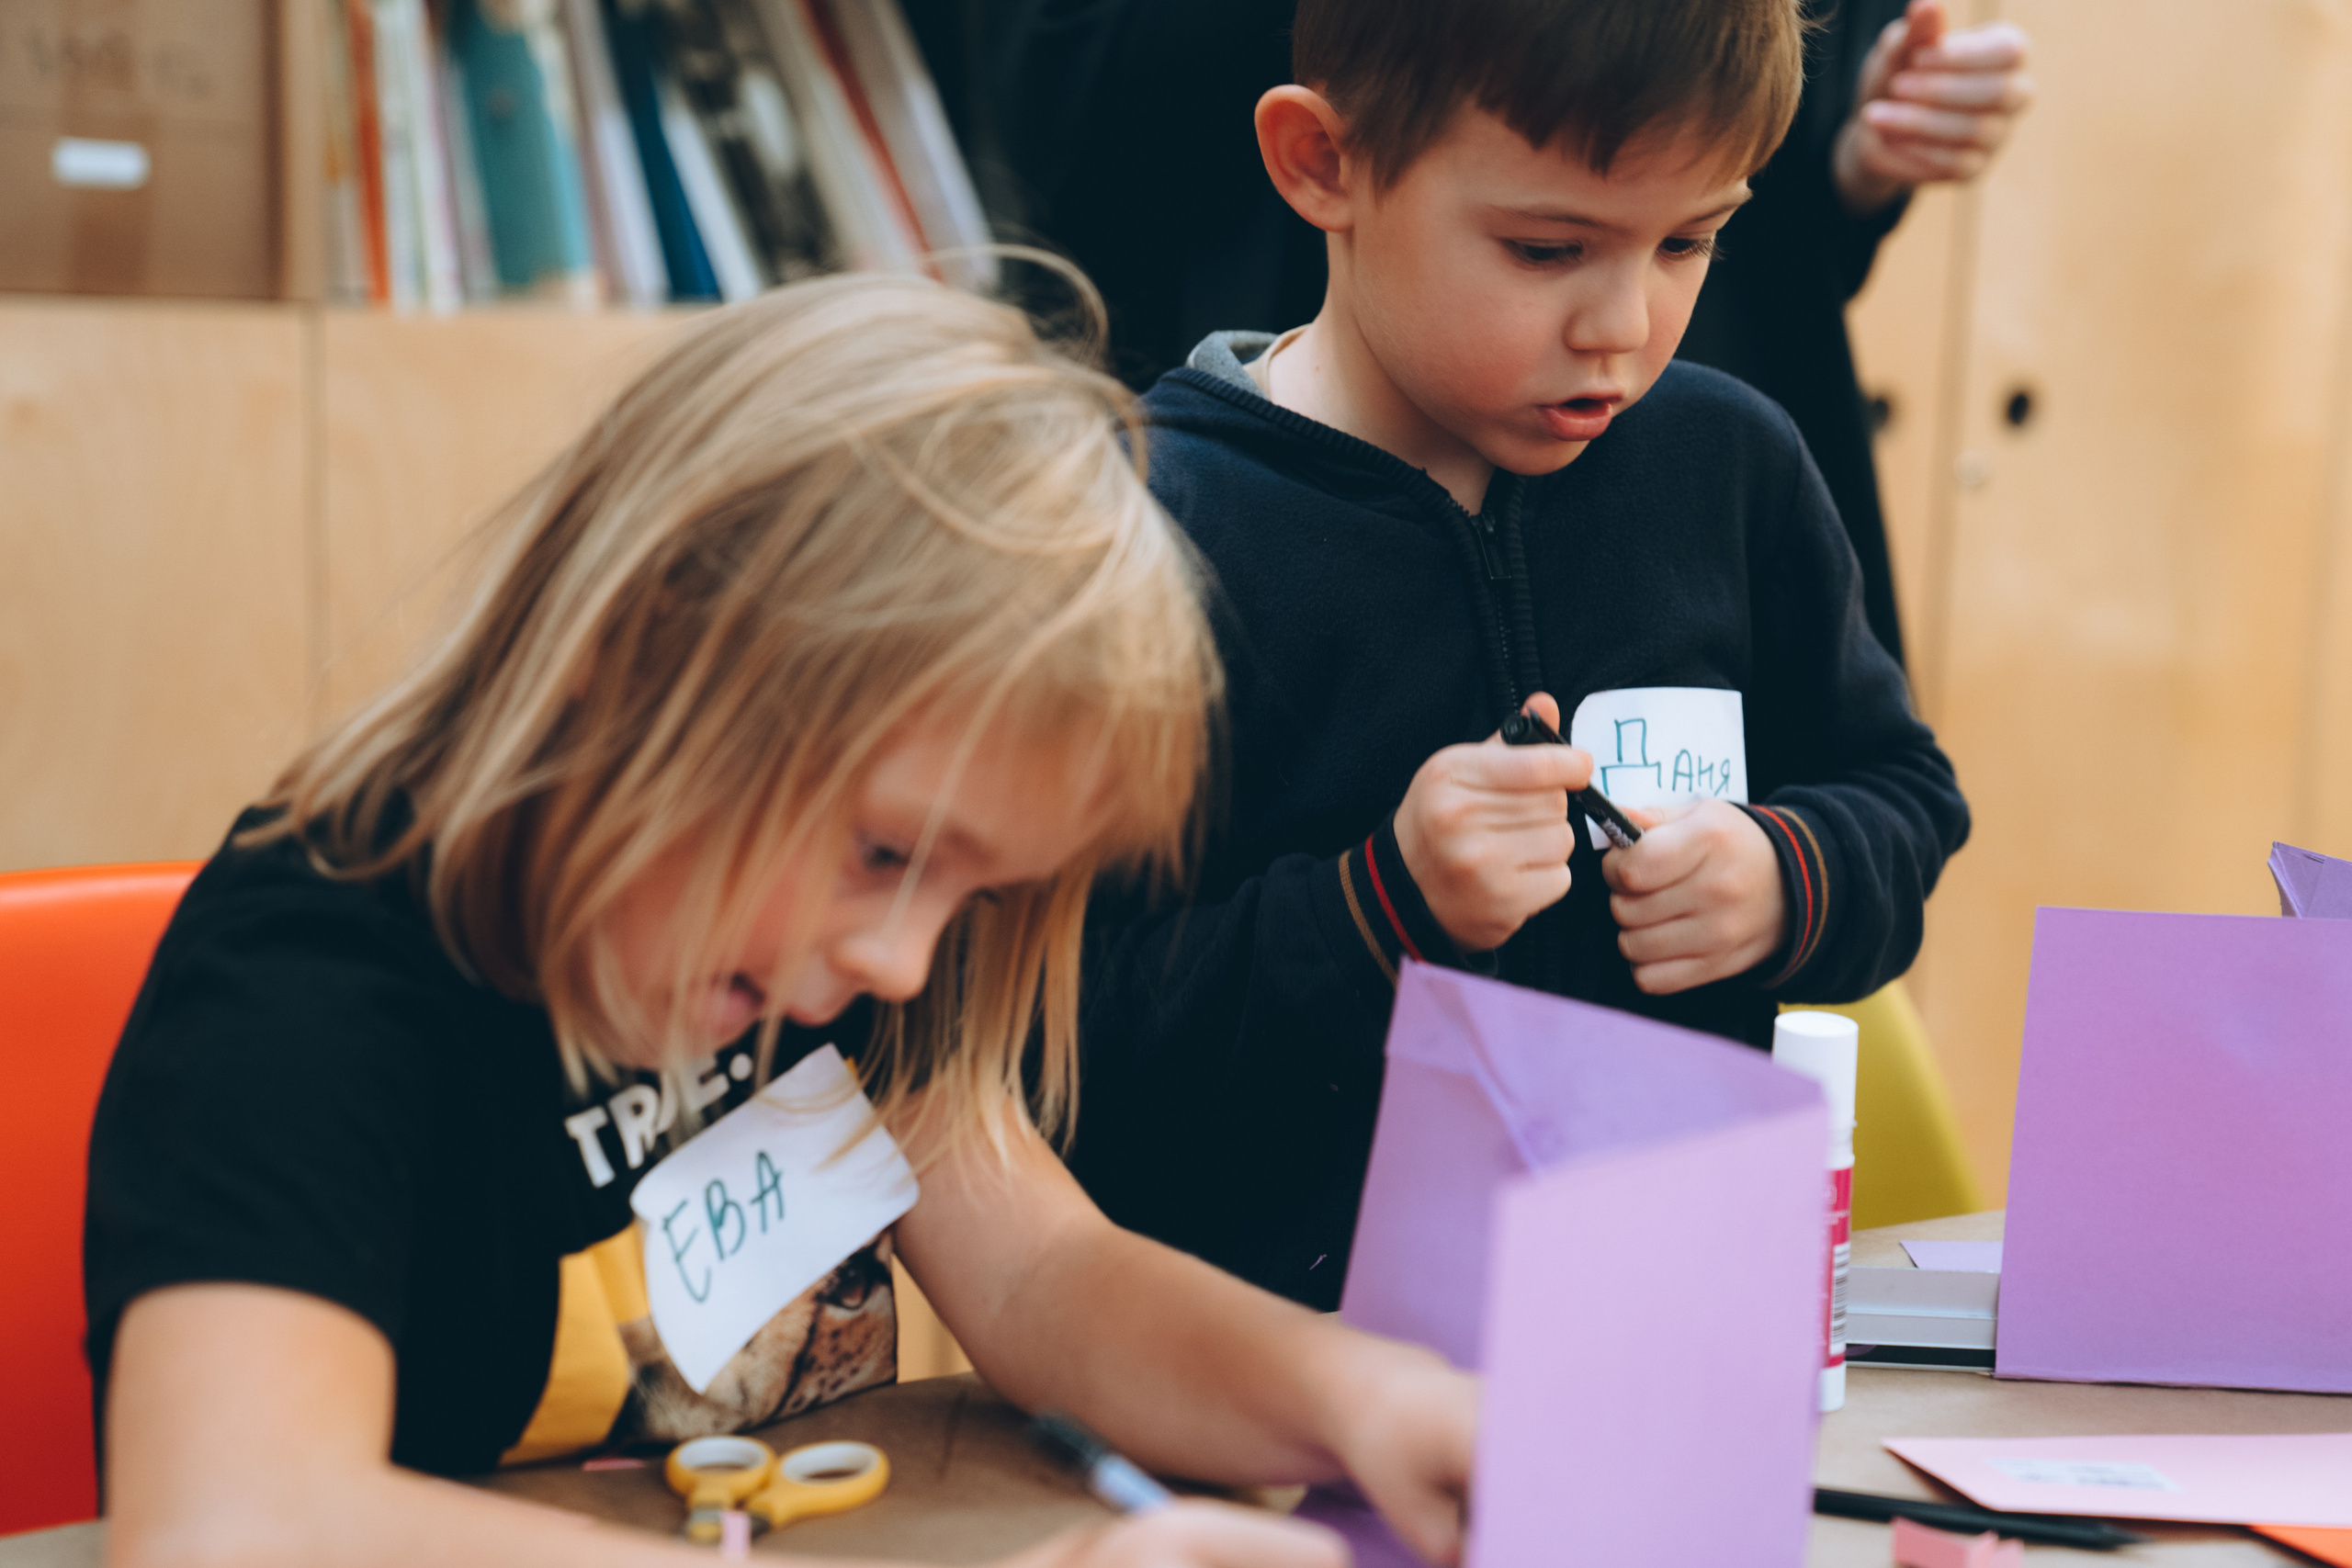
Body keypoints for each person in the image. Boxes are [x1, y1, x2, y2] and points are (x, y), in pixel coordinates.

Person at [84, 272, 1475, 1568]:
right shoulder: (312, 970)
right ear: (655, 661)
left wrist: (1360, 1395)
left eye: (968, 893)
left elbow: (1047, 1274)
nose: (902, 958)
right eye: (883, 852)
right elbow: (230, 1518)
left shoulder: (826, 946)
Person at [1070, 0, 1973, 1308]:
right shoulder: (1147, 532)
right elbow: (1064, 1038)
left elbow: (1902, 793)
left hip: (1669, 1323)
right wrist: (1381, 905)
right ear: (1325, 164)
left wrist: (1788, 873)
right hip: (1264, 1394)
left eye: (1691, 239)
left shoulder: (1732, 470)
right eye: (1549, 248)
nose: (1624, 324)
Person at [1679, 0, 2035, 665]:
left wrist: (1870, 151)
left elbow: (1800, 219)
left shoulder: (1752, 453)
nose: (1623, 321)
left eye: (1677, 242)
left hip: (1751, 384)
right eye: (1542, 248)